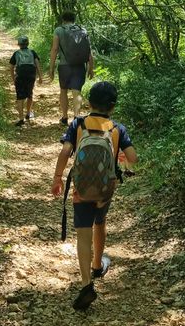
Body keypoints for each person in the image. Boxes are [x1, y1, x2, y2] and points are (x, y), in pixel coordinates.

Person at [51, 81, 137, 310]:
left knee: (83, 232)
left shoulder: (78, 123)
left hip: (81, 186)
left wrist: (57, 178)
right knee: (100, 221)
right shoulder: (117, 127)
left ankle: (87, 283)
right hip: (106, 187)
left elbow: (65, 151)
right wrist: (123, 160)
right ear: (113, 106)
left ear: (89, 102)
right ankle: (98, 265)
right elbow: (132, 157)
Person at [49, 11, 94, 126]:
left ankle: (64, 117)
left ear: (63, 19)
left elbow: (54, 49)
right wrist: (91, 67)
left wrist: (51, 67)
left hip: (64, 66)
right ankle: (76, 117)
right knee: (76, 92)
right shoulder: (82, 30)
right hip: (79, 65)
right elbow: (89, 51)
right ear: (74, 19)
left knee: (63, 91)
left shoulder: (59, 30)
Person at [10, 36, 43, 126]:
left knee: (20, 97)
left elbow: (11, 67)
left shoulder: (16, 53)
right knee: (29, 94)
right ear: (27, 43)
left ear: (19, 44)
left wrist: (13, 78)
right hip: (30, 76)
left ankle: (21, 119)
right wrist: (40, 76)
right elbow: (37, 64)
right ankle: (28, 113)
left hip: (20, 76)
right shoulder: (32, 52)